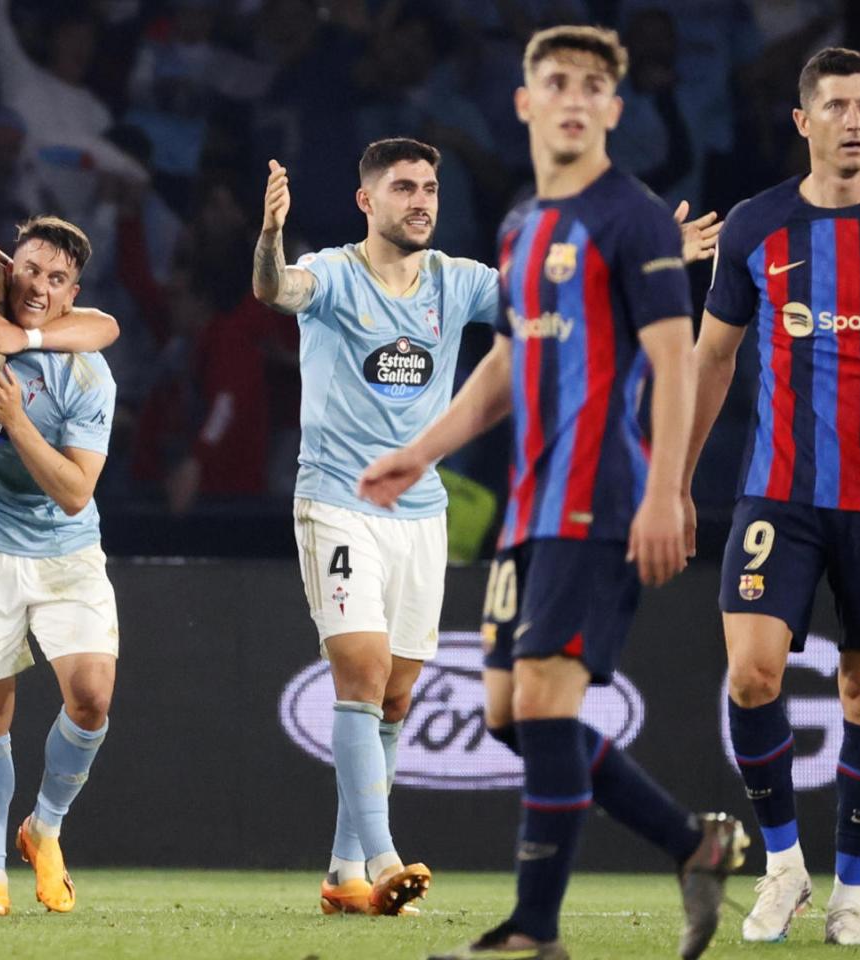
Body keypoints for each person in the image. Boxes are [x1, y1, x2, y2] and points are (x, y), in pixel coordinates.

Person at [360, 26, 745, 960]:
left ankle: (534, 932)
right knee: (507, 713)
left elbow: (673, 356)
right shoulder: (523, 222)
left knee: (543, 705)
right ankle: (694, 844)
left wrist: (666, 491)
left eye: (592, 86)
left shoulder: (634, 216)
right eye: (555, 82)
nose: (574, 98)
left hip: (599, 498)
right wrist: (423, 451)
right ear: (527, 102)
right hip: (528, 509)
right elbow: (505, 362)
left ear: (613, 110)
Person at [681, 48, 860, 947]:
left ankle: (851, 895)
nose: (852, 119)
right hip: (778, 494)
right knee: (752, 672)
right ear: (804, 122)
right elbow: (713, 357)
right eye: (834, 106)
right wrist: (678, 480)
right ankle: (782, 869)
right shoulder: (757, 228)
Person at [252, 137, 499, 916]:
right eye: (403, 188)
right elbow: (276, 291)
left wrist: (649, 251)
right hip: (338, 502)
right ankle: (388, 858)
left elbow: (553, 296)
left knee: (395, 698)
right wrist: (269, 240)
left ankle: (342, 873)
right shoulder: (330, 271)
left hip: (421, 515)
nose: (421, 199)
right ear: (368, 200)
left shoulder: (458, 282)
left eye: (429, 187)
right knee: (359, 673)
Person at [0, 216, 120, 917]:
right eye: (32, 269)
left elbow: (75, 493)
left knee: (92, 698)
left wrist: (15, 418)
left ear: (72, 295)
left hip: (65, 553)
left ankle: (44, 826)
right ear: (10, 266)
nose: (40, 286)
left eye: (57, 278)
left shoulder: (85, 374)